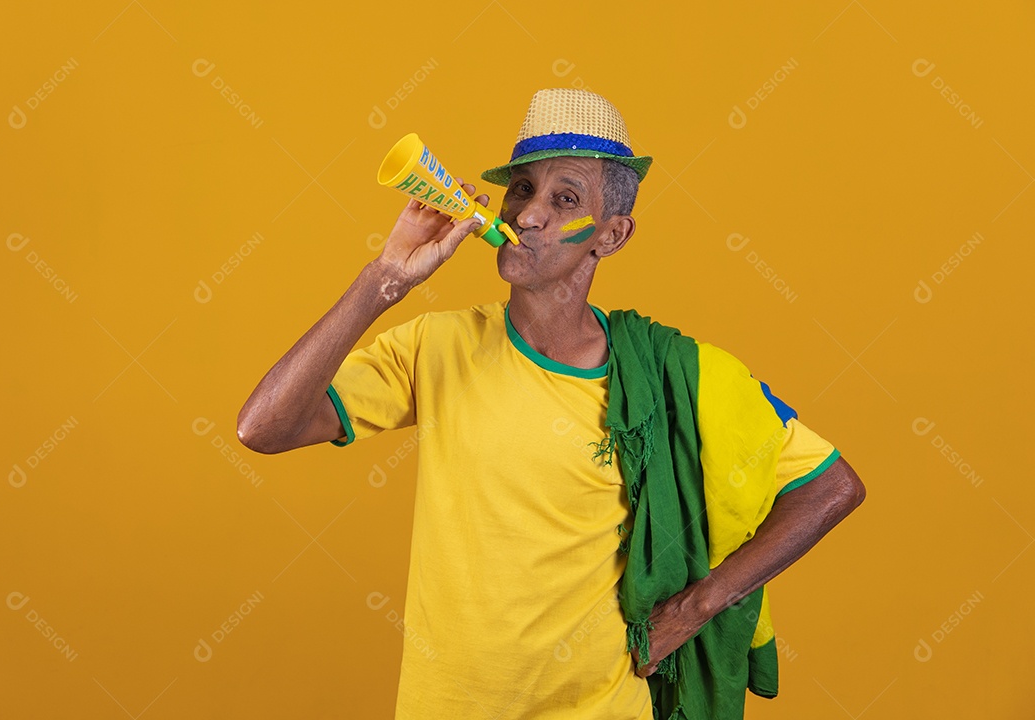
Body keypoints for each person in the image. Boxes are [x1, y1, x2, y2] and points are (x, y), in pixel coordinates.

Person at [237, 88, 866, 720]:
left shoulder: (676, 374)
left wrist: (695, 607)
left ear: (612, 235)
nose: (530, 215)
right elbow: (263, 427)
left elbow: (831, 487)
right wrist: (385, 280)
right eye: (521, 191)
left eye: (564, 198)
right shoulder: (436, 346)